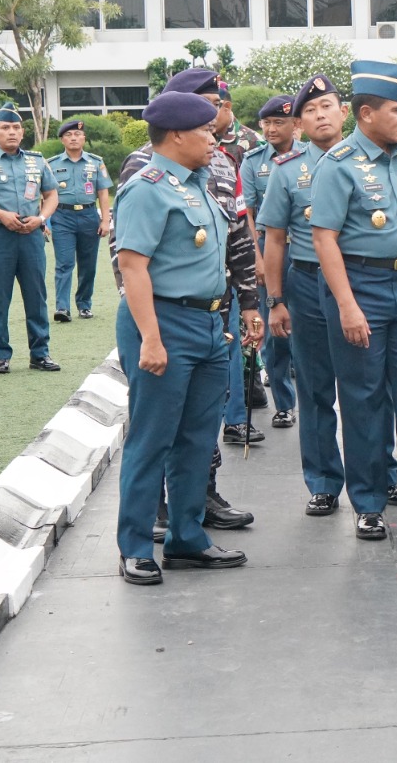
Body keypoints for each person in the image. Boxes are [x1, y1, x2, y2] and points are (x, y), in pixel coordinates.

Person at [113, 90, 257, 586]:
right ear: (175, 135)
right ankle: (134, 546)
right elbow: (131, 267)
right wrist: (150, 339)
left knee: (197, 440)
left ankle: (187, 539)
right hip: (164, 324)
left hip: (208, 325)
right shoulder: (147, 187)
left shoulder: (198, 186)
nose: (214, 140)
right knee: (152, 439)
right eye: (205, 133)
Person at [310, 60, 397, 541]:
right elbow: (324, 239)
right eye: (396, 110)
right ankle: (369, 503)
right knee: (363, 399)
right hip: (360, 286)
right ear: (366, 113)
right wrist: (347, 305)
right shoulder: (338, 166)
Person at [260, 76, 351, 518]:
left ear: (344, 112)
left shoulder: (371, 160)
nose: (320, 115)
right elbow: (274, 239)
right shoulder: (287, 170)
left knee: (370, 386)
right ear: (298, 123)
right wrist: (276, 299)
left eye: (327, 106)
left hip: (362, 281)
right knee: (315, 387)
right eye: (310, 111)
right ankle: (323, 481)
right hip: (308, 285)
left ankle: (381, 473)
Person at [0, 103, 60, 375]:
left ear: (23, 131)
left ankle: (40, 353)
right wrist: (0, 215)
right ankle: (0, 354)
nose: (11, 132)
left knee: (36, 296)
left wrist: (41, 218)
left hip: (31, 236)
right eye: (5, 128)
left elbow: (51, 195)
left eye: (16, 127)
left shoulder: (37, 161)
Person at [242, 95, 298, 428]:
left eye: (279, 122)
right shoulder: (252, 161)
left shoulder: (312, 158)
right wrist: (258, 258)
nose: (272, 129)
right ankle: (284, 403)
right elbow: (247, 213)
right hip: (269, 249)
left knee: (309, 330)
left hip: (306, 250)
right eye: (267, 123)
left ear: (296, 125)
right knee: (273, 328)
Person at [47, 119, 113, 323]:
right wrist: (45, 221)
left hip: (89, 217)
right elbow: (46, 195)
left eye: (77, 134)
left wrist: (105, 221)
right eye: (68, 135)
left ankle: (84, 305)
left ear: (84, 138)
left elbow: (103, 194)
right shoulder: (51, 164)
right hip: (62, 217)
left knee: (88, 265)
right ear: (62, 140)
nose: (73, 138)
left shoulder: (96, 162)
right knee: (64, 263)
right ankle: (62, 307)